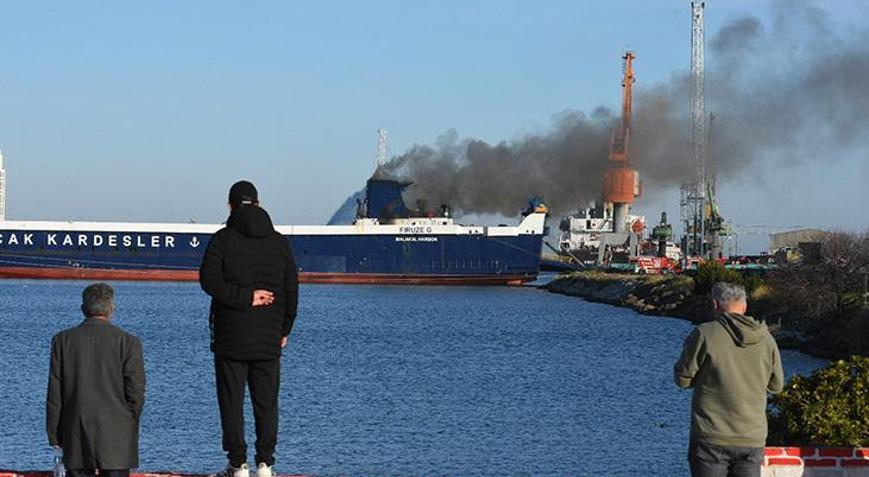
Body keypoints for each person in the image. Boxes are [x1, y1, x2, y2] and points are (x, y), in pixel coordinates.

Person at [200, 180, 299, 477]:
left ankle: (237, 464)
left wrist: (243, 297)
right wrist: (285, 329)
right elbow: (291, 289)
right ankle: (265, 464)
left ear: (230, 205)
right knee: (266, 402)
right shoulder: (279, 242)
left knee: (231, 402)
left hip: (231, 336)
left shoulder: (222, 239)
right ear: (257, 203)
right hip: (268, 336)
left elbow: (208, 281)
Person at [674, 281, 785, 477]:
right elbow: (776, 386)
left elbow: (682, 379)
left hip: (711, 435)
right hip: (751, 437)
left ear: (715, 304)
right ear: (745, 305)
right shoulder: (766, 339)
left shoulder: (705, 334)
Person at [46, 283, 146, 477]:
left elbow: (55, 392)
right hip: (118, 434)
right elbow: (136, 390)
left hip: (75, 431)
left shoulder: (62, 340)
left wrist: (53, 433)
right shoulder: (129, 342)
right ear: (111, 309)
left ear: (83, 308)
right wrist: (129, 420)